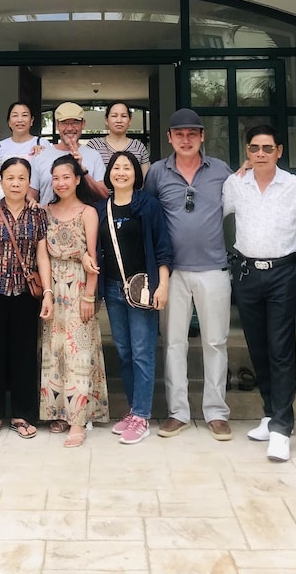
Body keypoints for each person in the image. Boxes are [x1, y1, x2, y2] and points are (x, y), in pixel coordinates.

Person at [222, 124, 296, 462]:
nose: (260, 154)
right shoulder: (235, 184)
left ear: (279, 151)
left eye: (267, 148)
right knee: (257, 347)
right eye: (254, 148)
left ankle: (282, 427)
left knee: (280, 348)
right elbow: (216, 213)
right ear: (247, 151)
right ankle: (270, 413)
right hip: (247, 273)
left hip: (282, 274)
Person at [145, 108, 233, 441]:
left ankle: (216, 412)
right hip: (173, 272)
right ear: (169, 138)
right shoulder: (157, 172)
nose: (186, 139)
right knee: (173, 343)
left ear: (202, 136)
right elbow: (149, 216)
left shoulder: (221, 171)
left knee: (215, 342)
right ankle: (178, 412)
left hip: (214, 268)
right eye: (179, 134)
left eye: (192, 133)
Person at [0, 157, 53, 441]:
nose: (16, 183)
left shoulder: (38, 214)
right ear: (1, 181)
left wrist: (48, 293)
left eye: (21, 178)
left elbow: (42, 256)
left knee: (24, 355)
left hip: (25, 294)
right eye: (10, 178)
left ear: (29, 182)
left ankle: (21, 415)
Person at [95, 151, 172, 444]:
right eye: (116, 167)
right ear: (109, 173)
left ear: (136, 174)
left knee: (142, 352)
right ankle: (133, 409)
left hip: (143, 289)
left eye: (127, 167)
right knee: (125, 352)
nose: (121, 172)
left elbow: (163, 248)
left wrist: (162, 285)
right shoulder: (101, 208)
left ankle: (141, 415)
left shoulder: (148, 205)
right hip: (113, 289)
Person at [40, 155, 109, 446]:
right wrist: (47, 291)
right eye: (56, 178)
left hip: (79, 283)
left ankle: (78, 420)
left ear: (78, 179)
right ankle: (59, 411)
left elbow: (92, 256)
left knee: (79, 350)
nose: (60, 183)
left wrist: (89, 294)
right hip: (53, 285)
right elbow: (42, 254)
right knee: (55, 350)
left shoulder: (88, 212)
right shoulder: (45, 211)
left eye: (66, 177)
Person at [29, 102, 108, 205]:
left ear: (83, 124)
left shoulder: (94, 155)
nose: (70, 128)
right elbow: (31, 196)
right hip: (48, 214)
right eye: (64, 123)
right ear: (57, 125)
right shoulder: (41, 156)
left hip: (86, 214)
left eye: (75, 123)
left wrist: (82, 170)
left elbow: (104, 195)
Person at [87, 101, 151, 177]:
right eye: (114, 116)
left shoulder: (139, 147)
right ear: (106, 121)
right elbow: (87, 177)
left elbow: (146, 179)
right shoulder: (94, 145)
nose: (119, 120)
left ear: (130, 121)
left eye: (124, 116)